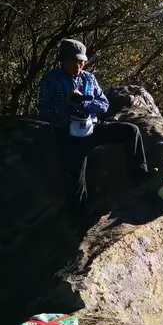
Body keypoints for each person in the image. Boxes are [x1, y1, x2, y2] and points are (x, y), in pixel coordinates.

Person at [39, 39, 150, 217]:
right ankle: (80, 216)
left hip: (92, 127)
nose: (78, 66)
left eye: (81, 62)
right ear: (63, 60)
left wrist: (85, 101)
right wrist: (67, 104)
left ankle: (140, 176)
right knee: (75, 178)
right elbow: (46, 110)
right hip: (68, 133)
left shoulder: (88, 78)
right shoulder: (51, 80)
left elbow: (104, 105)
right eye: (74, 61)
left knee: (131, 131)